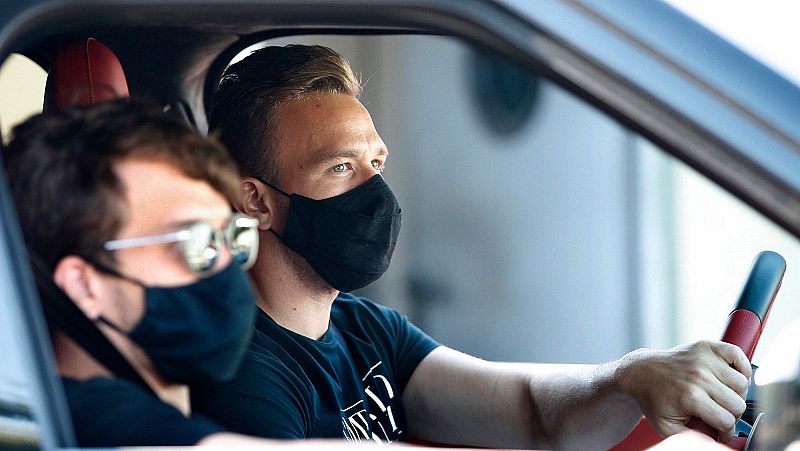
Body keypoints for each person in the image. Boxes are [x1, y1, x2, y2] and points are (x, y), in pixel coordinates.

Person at [191, 45, 752, 449]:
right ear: (256, 201)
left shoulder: (364, 328)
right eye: (340, 167)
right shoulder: (242, 378)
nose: (375, 192)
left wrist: (632, 376)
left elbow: (531, 412)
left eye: (376, 163)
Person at [3, 99, 373, 448]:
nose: (227, 269)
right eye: (193, 242)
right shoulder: (86, 417)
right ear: (85, 285)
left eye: (231, 237)